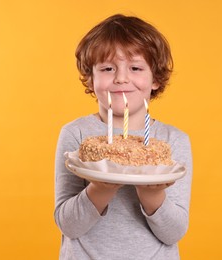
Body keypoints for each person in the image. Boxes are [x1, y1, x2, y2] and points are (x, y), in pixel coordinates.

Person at [54, 14, 192, 259]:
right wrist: (100, 188)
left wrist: (152, 193)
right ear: (90, 77)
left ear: (156, 79)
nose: (121, 78)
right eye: (107, 68)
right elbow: (69, 226)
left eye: (136, 68)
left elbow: (174, 233)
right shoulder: (77, 135)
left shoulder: (172, 142)